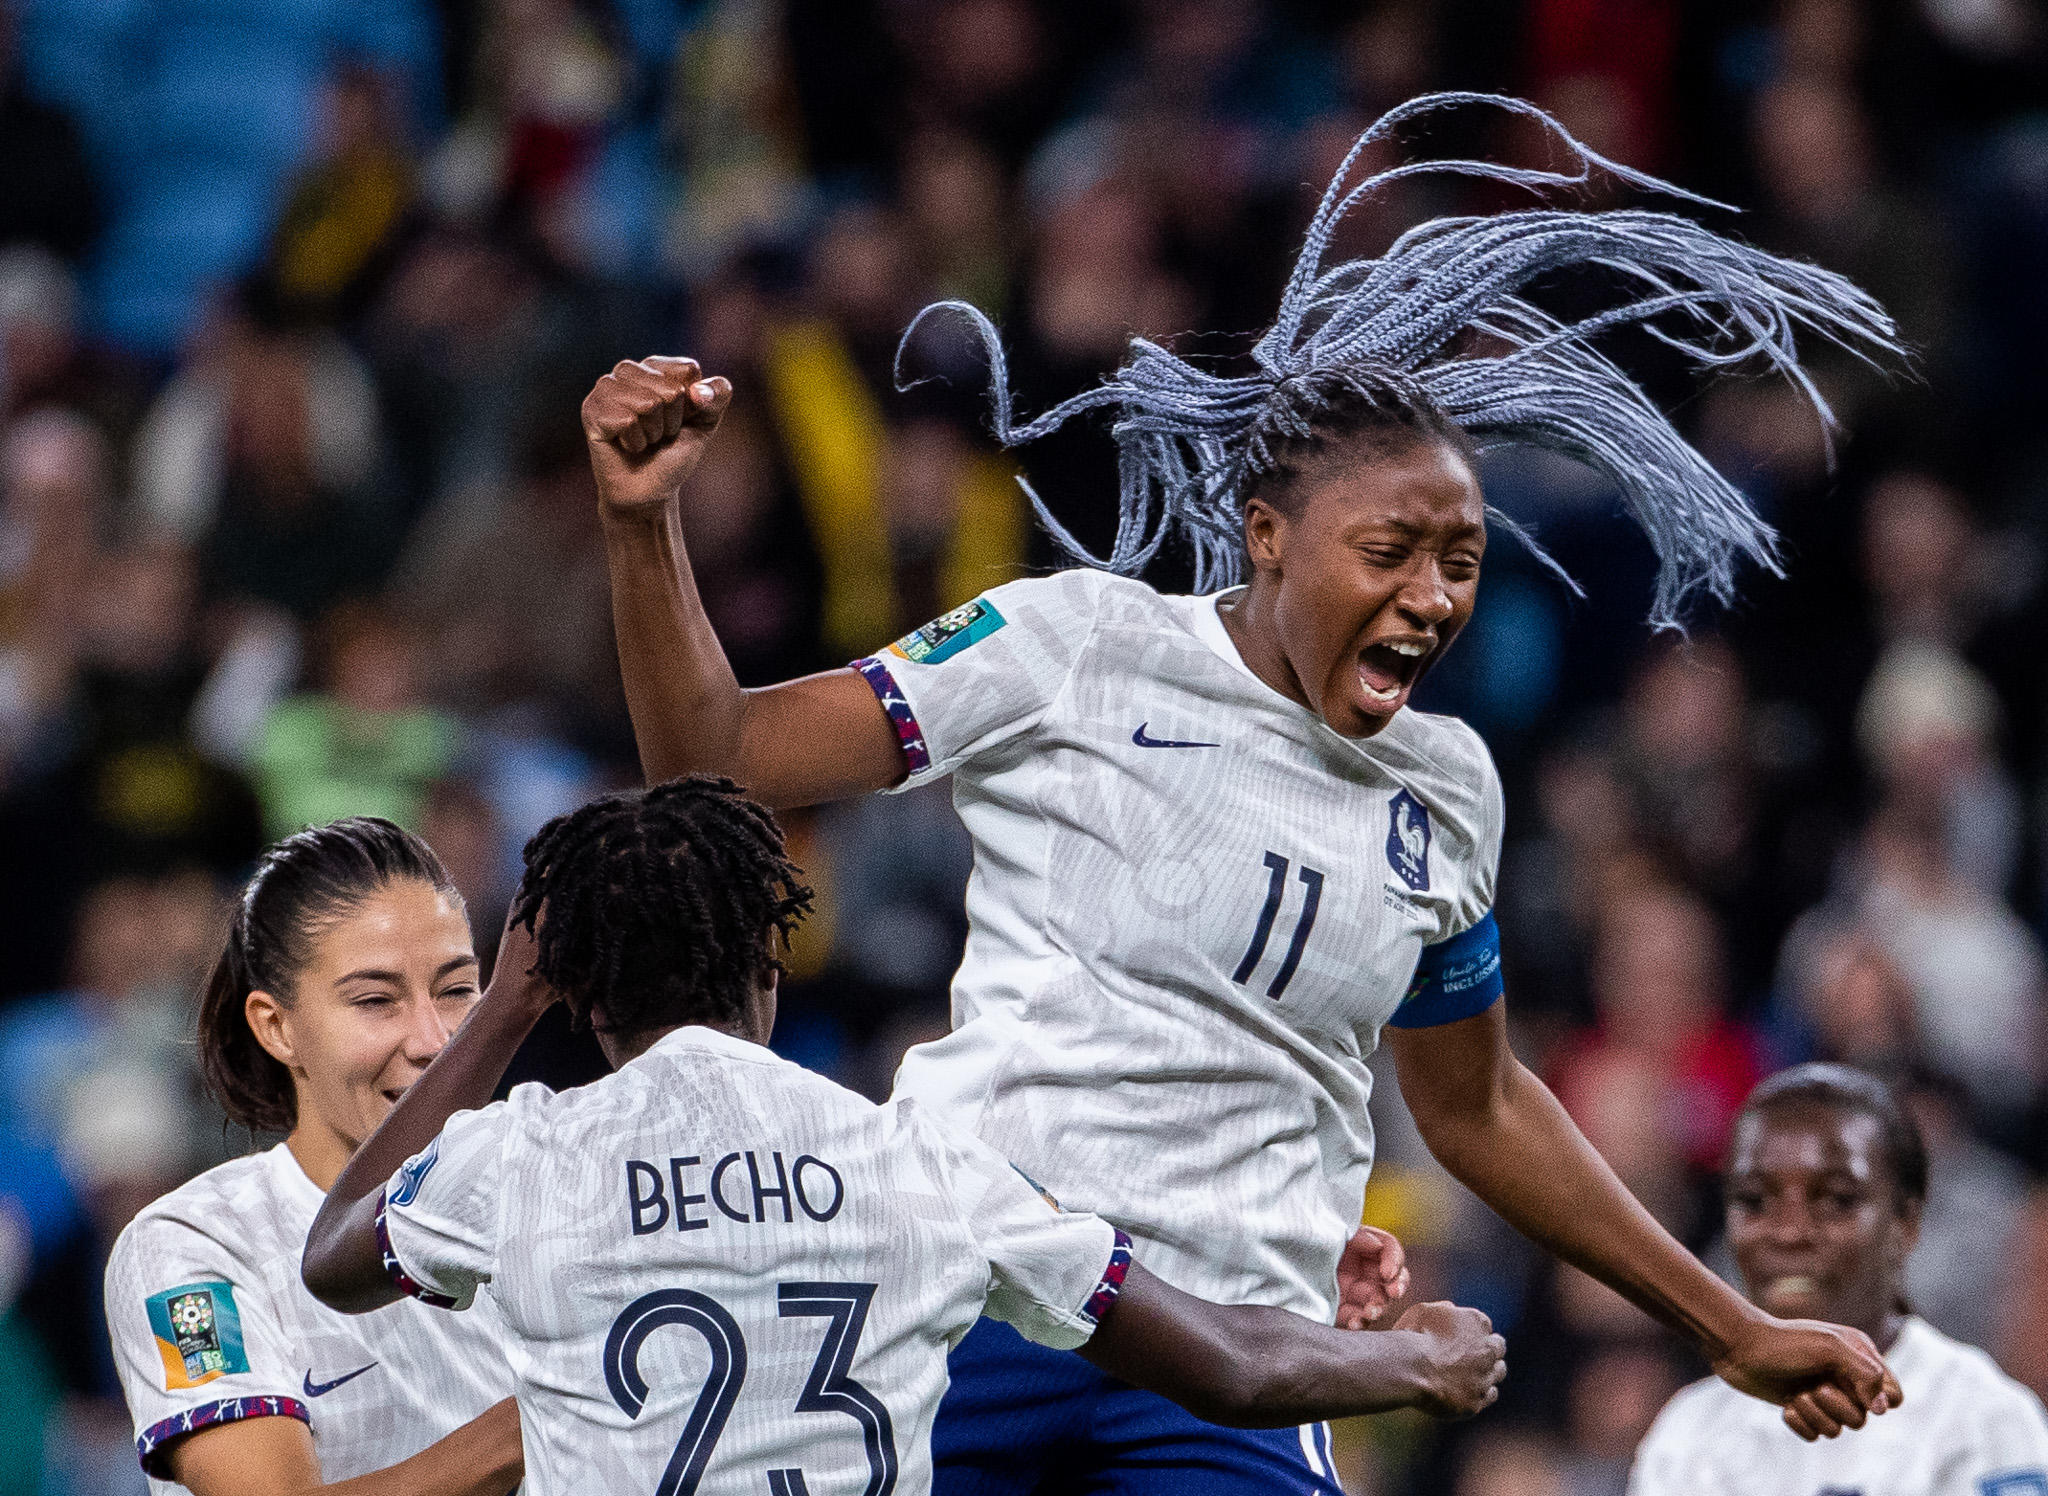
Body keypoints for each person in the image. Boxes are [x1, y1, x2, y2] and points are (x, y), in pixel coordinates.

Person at [587, 93, 1907, 1492]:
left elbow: (1477, 1109)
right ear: (1267, 537)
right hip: (970, 1291)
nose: (1432, 594)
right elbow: (720, 762)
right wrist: (640, 522)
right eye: (1392, 549)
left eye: (1458, 559)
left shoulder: (1447, 790)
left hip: (1239, 1352)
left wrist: (1731, 1323)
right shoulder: (1076, 644)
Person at [301, 776, 1509, 1495]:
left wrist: (504, 1004)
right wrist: (1422, 1359)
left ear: (579, 985)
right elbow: (1227, 1366)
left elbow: (336, 1252)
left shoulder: (521, 1161)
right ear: (772, 957)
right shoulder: (914, 1158)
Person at [103, 818, 523, 1495]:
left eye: (456, 991)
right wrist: (555, 1406)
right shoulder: (190, 1247)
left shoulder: (558, 1201)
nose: (433, 1039)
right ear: (278, 1027)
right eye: (375, 1000)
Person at [1628, 1063, 2048, 1492]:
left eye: (1836, 1199)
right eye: (1753, 1201)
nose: (1790, 1232)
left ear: (1905, 1220)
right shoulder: (1687, 1434)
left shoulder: (1985, 1418)